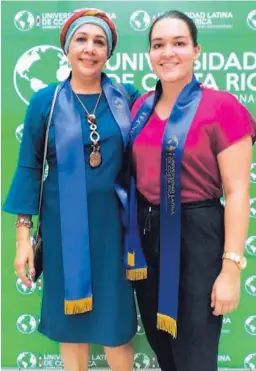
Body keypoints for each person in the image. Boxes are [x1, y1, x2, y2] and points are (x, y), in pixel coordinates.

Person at [3, 9, 140, 371]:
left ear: (109, 52)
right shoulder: (44, 102)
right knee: (72, 322)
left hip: (116, 230)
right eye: (81, 40)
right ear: (66, 47)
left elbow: (157, 138)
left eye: (99, 42)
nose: (90, 49)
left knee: (116, 325)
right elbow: (29, 168)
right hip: (64, 231)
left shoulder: (127, 97)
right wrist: (22, 241)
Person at [124, 10, 256, 371]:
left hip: (197, 237)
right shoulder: (140, 109)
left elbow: (239, 191)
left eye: (179, 43)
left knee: (194, 354)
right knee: (161, 346)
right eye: (158, 45)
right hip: (149, 238)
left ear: (196, 50)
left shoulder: (222, 107)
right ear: (149, 55)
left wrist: (231, 270)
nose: (168, 52)